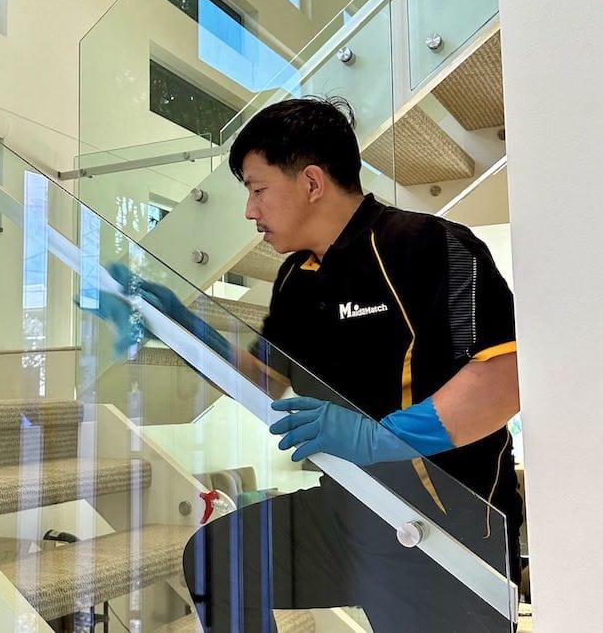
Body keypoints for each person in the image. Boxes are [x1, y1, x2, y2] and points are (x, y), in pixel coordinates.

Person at [85, 97, 522, 632]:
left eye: (257, 188)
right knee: (219, 560)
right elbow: (270, 378)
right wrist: (183, 328)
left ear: (312, 182)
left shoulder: (428, 245)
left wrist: (381, 438)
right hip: (351, 507)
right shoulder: (297, 277)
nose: (250, 211)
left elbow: (503, 379)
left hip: (445, 523)